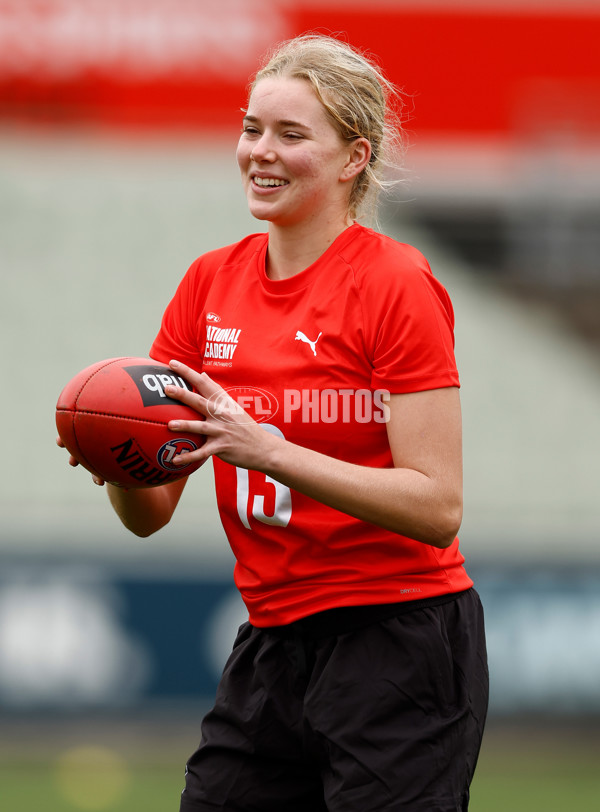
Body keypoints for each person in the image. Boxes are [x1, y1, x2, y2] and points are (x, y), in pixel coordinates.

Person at [60, 33, 488, 811]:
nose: (261, 150)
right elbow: (151, 513)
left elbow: (438, 506)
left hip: (399, 639)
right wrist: (119, 462)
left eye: (291, 134)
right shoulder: (209, 281)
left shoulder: (395, 283)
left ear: (354, 158)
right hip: (270, 643)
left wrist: (272, 451)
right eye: (253, 127)